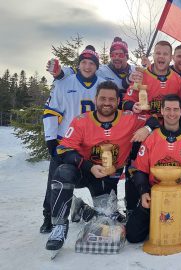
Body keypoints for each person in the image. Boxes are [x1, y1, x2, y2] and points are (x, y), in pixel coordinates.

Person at [45, 81, 158, 251]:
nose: (107, 103)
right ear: (96, 99)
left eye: (111, 99)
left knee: (106, 219)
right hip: (85, 171)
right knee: (63, 171)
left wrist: (147, 129)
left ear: (118, 101)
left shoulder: (128, 118)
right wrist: (89, 166)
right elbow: (63, 149)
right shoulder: (82, 121)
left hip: (107, 177)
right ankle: (59, 226)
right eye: (103, 98)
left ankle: (81, 209)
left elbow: (155, 121)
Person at [126, 94, 181, 243]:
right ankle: (157, 219)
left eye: (175, 109)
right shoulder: (151, 137)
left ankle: (180, 217)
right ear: (161, 111)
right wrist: (143, 192)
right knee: (132, 235)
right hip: (156, 194)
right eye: (167, 109)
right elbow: (140, 170)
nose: (171, 113)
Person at [40, 45, 104, 233]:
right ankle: (49, 216)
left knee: (99, 178)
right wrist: (51, 140)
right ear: (78, 65)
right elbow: (51, 112)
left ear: (96, 66)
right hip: (66, 143)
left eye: (91, 63)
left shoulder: (102, 84)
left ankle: (104, 211)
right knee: (55, 180)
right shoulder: (64, 83)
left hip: (93, 144)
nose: (87, 66)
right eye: (83, 62)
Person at [47, 37, 134, 105]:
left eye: (120, 55)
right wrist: (59, 73)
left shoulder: (135, 70)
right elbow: (77, 70)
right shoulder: (101, 70)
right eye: (113, 55)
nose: (116, 58)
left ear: (127, 56)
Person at [122, 40, 181, 122]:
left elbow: (180, 106)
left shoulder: (177, 78)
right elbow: (126, 102)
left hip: (169, 125)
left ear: (171, 58)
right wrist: (133, 106)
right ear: (153, 55)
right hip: (145, 124)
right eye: (158, 53)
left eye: (165, 54)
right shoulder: (141, 76)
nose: (161, 56)